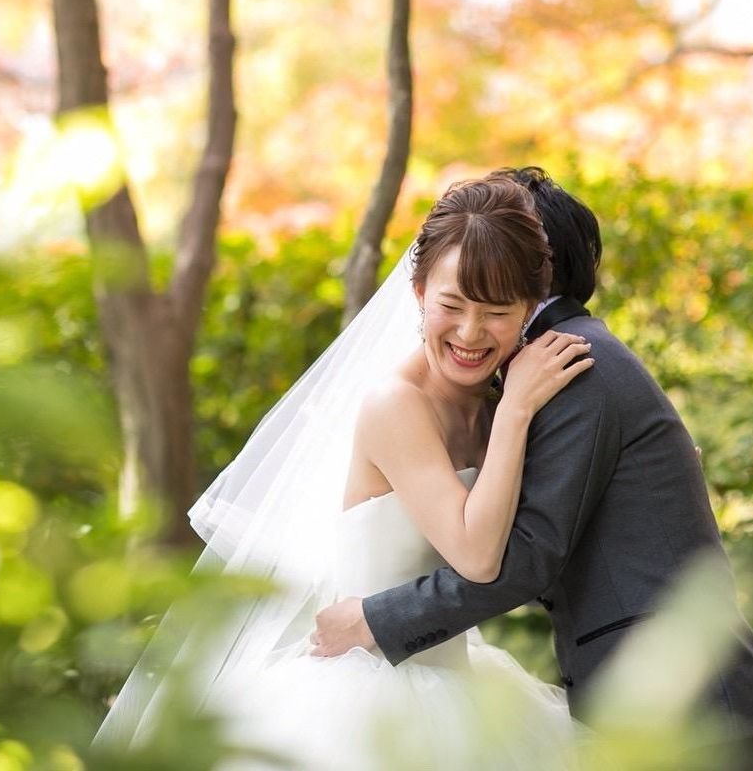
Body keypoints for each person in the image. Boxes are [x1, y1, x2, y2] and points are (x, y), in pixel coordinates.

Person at [94, 176, 592, 769]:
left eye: (496, 313)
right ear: (418, 293)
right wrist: (515, 413)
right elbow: (478, 557)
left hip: (459, 679)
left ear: (529, 311)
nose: (469, 332)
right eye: (451, 306)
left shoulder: (493, 400)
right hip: (365, 694)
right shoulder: (397, 404)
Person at [312, 167, 753, 767]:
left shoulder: (570, 366)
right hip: (665, 701)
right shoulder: (492, 389)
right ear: (422, 292)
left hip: (688, 705)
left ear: (534, 275)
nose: (473, 326)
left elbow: (521, 557)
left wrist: (375, 621)